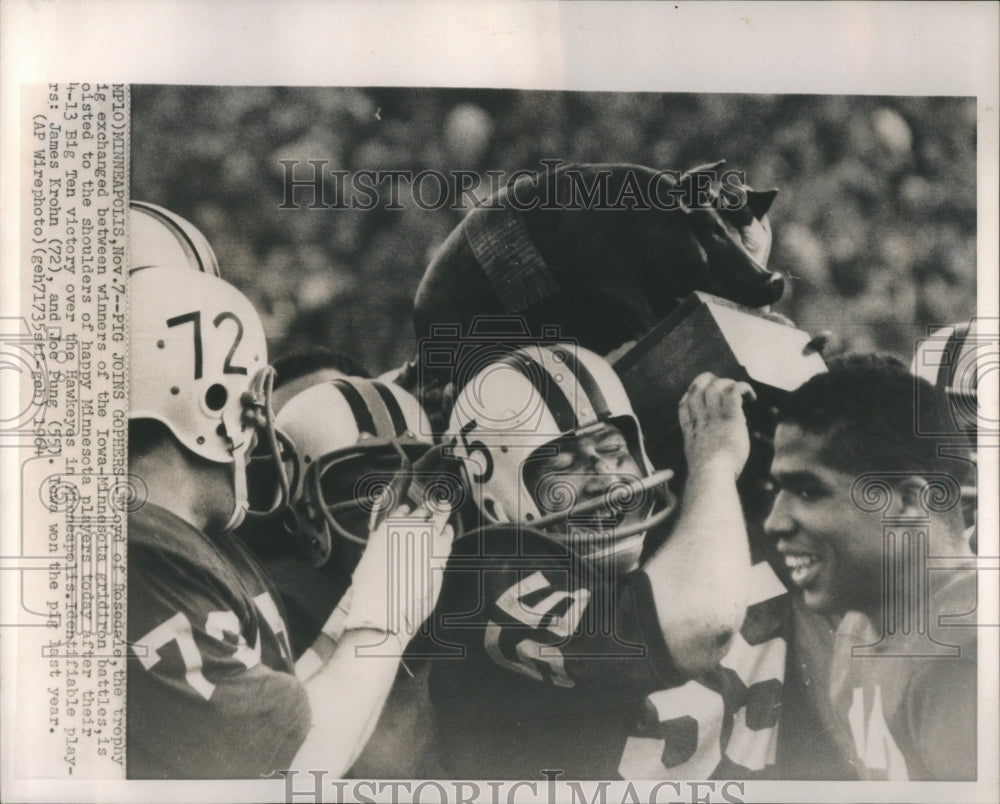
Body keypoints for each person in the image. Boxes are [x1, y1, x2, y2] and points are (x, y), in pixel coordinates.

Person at [126, 204, 452, 778]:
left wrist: (363, 601)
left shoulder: (205, 541)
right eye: (254, 396)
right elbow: (297, 768)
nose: (260, 422)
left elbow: (301, 717)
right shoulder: (135, 547)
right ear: (210, 401)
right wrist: (385, 616)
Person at [428, 342, 793, 779]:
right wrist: (715, 462)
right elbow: (700, 626)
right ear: (497, 506)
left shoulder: (713, 516)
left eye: (614, 449)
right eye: (563, 466)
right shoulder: (485, 574)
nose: (607, 480)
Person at [765, 354, 977, 780]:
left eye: (807, 490)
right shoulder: (859, 626)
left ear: (908, 501)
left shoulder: (969, 652)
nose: (774, 522)